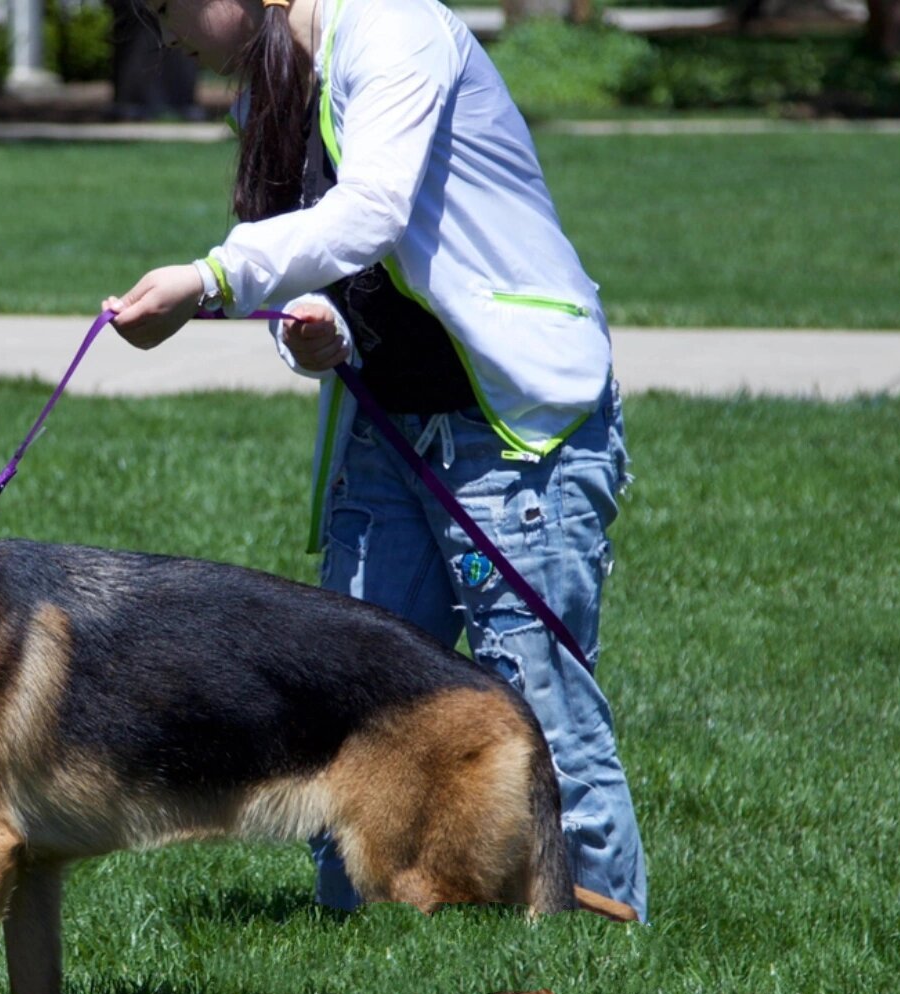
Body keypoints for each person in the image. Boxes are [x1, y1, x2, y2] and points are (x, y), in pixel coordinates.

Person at [101, 0, 647, 920]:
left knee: (543, 708)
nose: (167, 37)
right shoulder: (272, 91)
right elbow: (323, 276)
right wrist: (314, 336)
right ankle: (359, 950)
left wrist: (209, 281)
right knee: (350, 700)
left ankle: (601, 970)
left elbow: (372, 212)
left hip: (513, 437)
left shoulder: (393, 27)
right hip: (389, 437)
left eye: (164, 7)